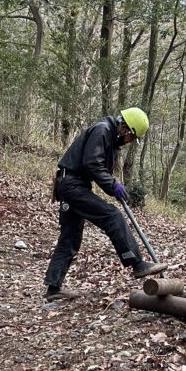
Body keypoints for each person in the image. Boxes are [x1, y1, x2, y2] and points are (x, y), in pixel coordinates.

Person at [44, 107, 167, 299]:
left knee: (70, 238)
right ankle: (137, 264)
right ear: (125, 128)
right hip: (72, 186)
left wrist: (112, 183)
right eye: (131, 138)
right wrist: (112, 185)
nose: (130, 142)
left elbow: (98, 166)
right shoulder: (102, 130)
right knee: (113, 216)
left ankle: (53, 287)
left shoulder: (109, 136)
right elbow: (92, 164)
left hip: (73, 185)